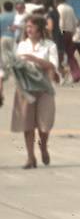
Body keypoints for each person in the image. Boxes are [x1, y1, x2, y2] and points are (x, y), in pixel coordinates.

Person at [8, 15, 62, 169]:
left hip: (44, 86)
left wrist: (34, 58)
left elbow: (53, 65)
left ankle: (43, 146)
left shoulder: (49, 45)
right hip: (25, 87)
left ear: (40, 29)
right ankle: (30, 157)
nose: (28, 29)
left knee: (45, 124)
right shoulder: (22, 45)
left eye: (32, 26)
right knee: (27, 122)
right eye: (27, 26)